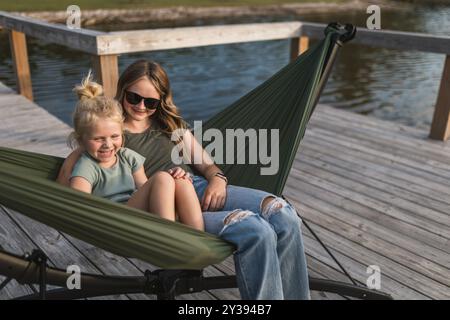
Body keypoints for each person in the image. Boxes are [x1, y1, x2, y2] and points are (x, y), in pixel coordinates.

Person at [58, 60, 310, 300]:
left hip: (198, 188)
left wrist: (218, 180)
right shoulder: (107, 130)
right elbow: (65, 181)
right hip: (167, 207)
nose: (141, 107)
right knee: (256, 230)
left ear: (161, 101)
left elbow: (207, 166)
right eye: (134, 97)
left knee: (282, 212)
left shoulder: (170, 124)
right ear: (122, 90)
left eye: (151, 101)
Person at [67, 73, 204, 231]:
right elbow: (81, 208)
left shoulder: (128, 157)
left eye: (115, 136)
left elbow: (145, 188)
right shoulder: (86, 167)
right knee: (162, 177)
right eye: (98, 139)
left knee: (180, 181)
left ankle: (198, 237)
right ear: (81, 141)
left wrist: (174, 177)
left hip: (136, 214)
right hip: (115, 221)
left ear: (122, 133)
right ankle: (170, 236)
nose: (108, 144)